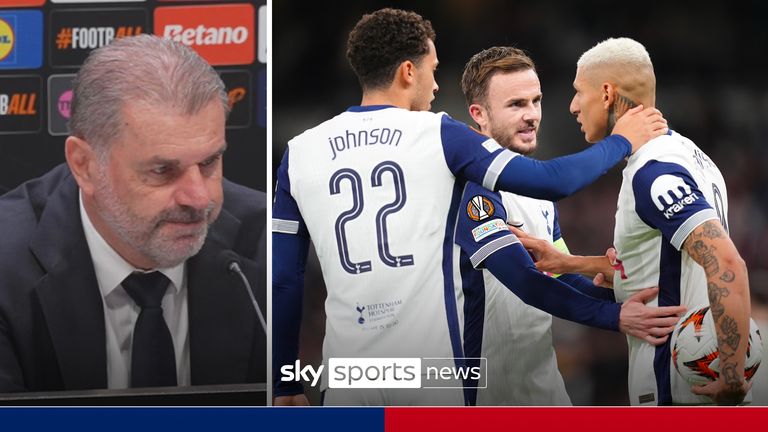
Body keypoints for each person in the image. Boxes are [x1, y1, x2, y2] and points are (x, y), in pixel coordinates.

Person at [272, 9, 670, 406]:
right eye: (433, 67)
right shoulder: (439, 137)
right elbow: (553, 185)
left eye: (536, 101)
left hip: (349, 378)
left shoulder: (301, 152)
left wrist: (285, 381)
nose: (434, 84)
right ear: (409, 71)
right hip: (433, 374)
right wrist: (621, 140)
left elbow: (284, 279)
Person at [0, 35, 267, 393]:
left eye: (209, 162)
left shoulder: (269, 244)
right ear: (85, 165)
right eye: (161, 171)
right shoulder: (6, 265)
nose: (199, 198)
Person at [516, 37, 752, 406]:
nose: (573, 106)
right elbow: (667, 268)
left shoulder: (654, 173)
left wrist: (734, 378)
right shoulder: (690, 155)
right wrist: (568, 262)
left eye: (579, 92)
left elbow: (726, 263)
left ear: (607, 93)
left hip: (679, 391)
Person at [455, 46, 633, 405]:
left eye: (535, 101)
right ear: (479, 115)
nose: (532, 115)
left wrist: (629, 297)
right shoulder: (470, 188)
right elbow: (527, 282)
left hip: (542, 387)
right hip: (483, 396)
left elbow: (558, 272)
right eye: (516, 105)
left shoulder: (537, 193)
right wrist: (615, 317)